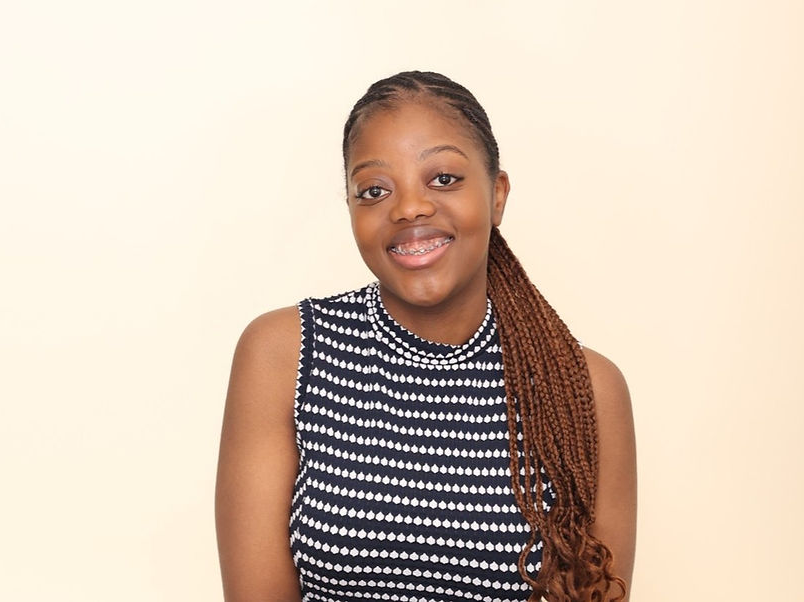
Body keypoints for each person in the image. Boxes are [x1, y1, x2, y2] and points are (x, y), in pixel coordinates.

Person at [215, 71, 636, 602]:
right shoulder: (285, 354)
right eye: (374, 190)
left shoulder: (585, 390)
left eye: (443, 179)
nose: (409, 207)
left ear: (497, 194)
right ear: (351, 210)